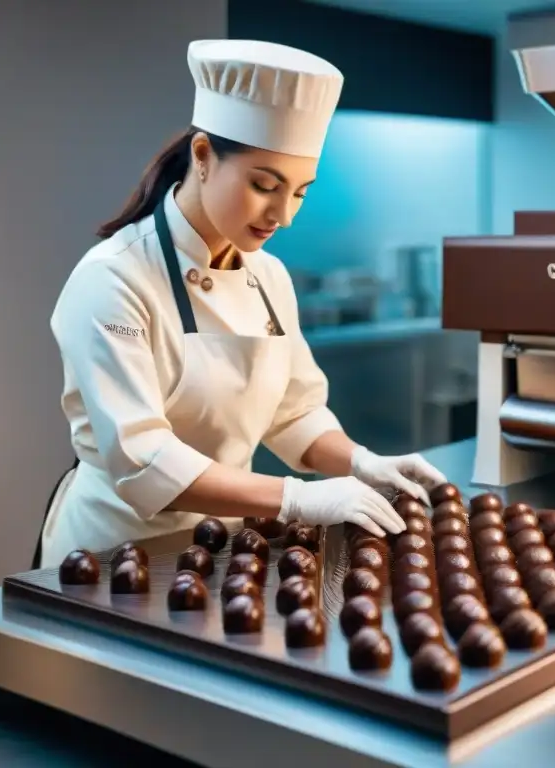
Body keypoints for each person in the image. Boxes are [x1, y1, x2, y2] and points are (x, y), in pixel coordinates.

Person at [35, 40, 446, 568]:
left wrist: (360, 463)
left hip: (223, 550)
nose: (284, 214)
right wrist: (296, 498)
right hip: (112, 558)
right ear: (203, 156)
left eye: (299, 192)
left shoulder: (269, 276)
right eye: (264, 185)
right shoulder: (113, 279)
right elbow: (143, 461)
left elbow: (295, 411)